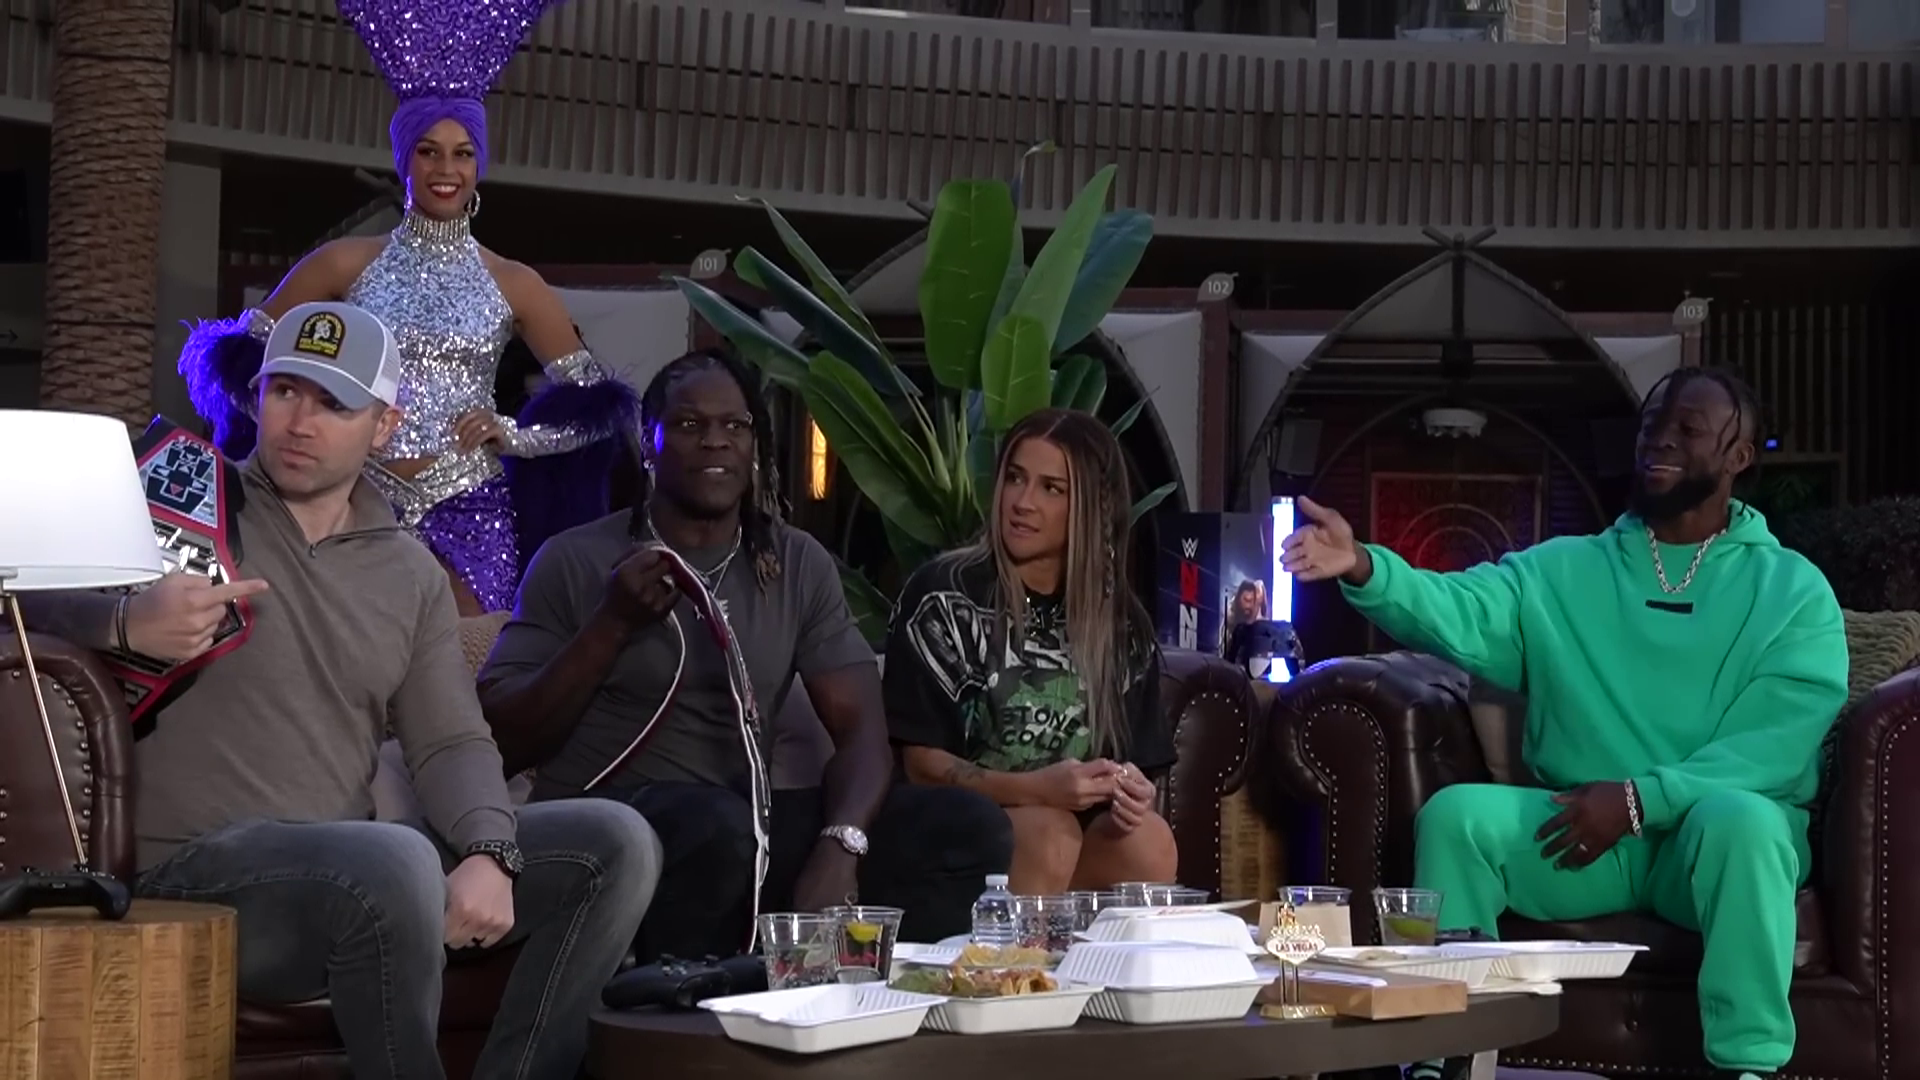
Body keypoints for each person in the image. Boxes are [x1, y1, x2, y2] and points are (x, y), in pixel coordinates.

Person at [26, 301, 660, 1080]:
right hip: (194, 876)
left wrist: (490, 850)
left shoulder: (409, 572)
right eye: (285, 391)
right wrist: (122, 621)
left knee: (616, 843)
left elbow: (450, 739)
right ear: (256, 397)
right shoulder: (175, 499)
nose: (300, 422)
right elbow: (18, 605)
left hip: (356, 873)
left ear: (384, 426)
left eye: (334, 403)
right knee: (394, 858)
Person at [1281, 368, 1846, 1080]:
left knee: (1747, 821)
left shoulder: (1793, 590)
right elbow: (1462, 608)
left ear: (1738, 457)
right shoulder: (1564, 570)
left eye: (1688, 429)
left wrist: (1638, 800)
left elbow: (1772, 748)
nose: (1661, 440)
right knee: (1458, 818)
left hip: (1705, 841)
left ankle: (1747, 1068)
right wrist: (1365, 565)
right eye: (1652, 425)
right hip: (1583, 835)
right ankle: (1444, 1058)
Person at [478, 348, 1011, 958]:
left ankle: (868, 1004)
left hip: (749, 821)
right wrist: (610, 624)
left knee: (965, 828)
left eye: (736, 425)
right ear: (649, 444)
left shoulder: (794, 561)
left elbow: (863, 732)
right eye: (689, 424)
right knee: (717, 827)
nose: (716, 440)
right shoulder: (575, 559)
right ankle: (682, 1004)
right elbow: (503, 739)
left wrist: (840, 846)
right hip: (615, 821)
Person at [177, 0, 636, 617]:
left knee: (469, 658)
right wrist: (327, 426)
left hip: (472, 509)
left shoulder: (515, 282)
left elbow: (597, 410)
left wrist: (515, 435)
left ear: (480, 164)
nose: (446, 169)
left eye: (463, 153)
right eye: (428, 151)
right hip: (354, 501)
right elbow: (240, 364)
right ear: (404, 159)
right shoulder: (345, 263)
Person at [885, 408, 1180, 896]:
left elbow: (1137, 763)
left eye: (1051, 489)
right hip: (952, 822)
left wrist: (1131, 789)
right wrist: (1038, 789)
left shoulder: (1120, 625)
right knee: (1049, 833)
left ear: (1092, 508)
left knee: (1149, 842)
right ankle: (1022, 950)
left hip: (1067, 828)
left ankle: (1080, 946)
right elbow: (920, 764)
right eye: (1015, 479)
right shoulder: (945, 594)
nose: (1022, 502)